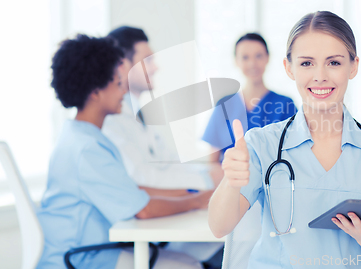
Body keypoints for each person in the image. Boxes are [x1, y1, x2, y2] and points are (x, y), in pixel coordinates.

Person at [208, 11, 361, 269]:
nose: (320, 76)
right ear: (288, 68)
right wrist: (231, 182)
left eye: (334, 63)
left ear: (353, 66)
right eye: (306, 63)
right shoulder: (261, 145)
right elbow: (218, 227)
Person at [37, 35, 212, 269]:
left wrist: (188, 193)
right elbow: (144, 209)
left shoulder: (83, 136)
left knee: (188, 260)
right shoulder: (88, 149)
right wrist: (196, 200)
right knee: (189, 265)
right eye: (118, 82)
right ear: (96, 92)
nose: (123, 91)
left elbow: (131, 191)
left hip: (91, 249)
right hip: (83, 257)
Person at [102, 26, 223, 265]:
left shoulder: (140, 112)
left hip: (154, 223)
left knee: (223, 241)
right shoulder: (113, 119)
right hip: (128, 234)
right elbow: (142, 177)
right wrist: (207, 180)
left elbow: (169, 163)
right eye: (147, 60)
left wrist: (208, 175)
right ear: (122, 64)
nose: (155, 67)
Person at [202, 33, 297, 162]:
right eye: (245, 57)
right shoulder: (223, 105)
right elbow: (213, 163)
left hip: (272, 180)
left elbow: (295, 155)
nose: (252, 63)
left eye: (258, 56)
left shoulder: (285, 104)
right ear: (236, 61)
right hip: (231, 179)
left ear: (267, 58)